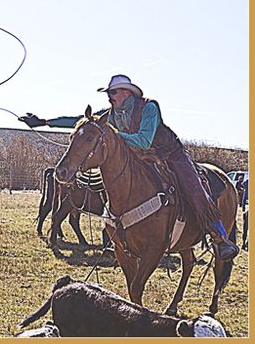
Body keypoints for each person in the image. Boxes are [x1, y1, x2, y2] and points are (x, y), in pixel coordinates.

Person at [19, 74, 240, 261]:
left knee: (194, 188)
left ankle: (219, 237)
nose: (109, 97)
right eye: (109, 93)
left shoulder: (149, 107)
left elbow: (143, 140)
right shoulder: (111, 114)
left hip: (170, 155)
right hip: (142, 158)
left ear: (127, 93)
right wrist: (44, 122)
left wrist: (112, 136)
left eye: (113, 93)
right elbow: (80, 121)